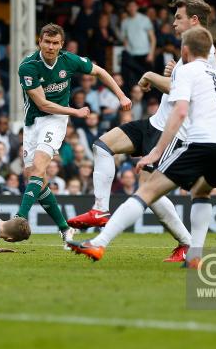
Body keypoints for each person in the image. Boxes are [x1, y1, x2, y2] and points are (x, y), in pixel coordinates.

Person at [68, 27, 216, 266]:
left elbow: (180, 111)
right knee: (202, 193)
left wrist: (156, 151)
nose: (174, 23)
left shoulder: (186, 70)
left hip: (203, 140)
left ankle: (98, 243)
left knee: (147, 191)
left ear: (185, 50)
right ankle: (194, 255)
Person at [16, 23, 131, 248]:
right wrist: (76, 111)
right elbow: (42, 103)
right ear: (39, 42)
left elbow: (100, 71)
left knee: (39, 167)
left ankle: (19, 220)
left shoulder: (69, 60)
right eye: (46, 42)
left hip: (56, 121)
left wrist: (122, 96)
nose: (50, 47)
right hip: (34, 122)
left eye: (55, 43)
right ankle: (64, 228)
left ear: (61, 45)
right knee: (34, 178)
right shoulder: (28, 66)